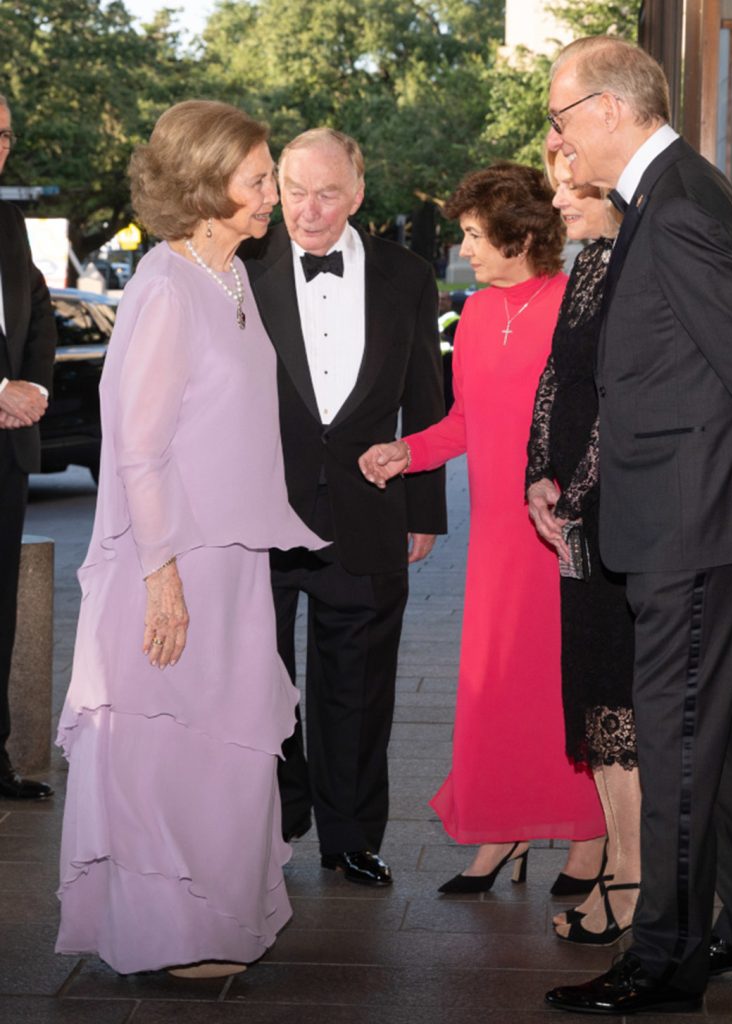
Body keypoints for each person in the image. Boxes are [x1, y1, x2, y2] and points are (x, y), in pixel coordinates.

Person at [542, 36, 732, 1015]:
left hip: (689, 514)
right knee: (710, 730)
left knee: (671, 733)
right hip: (683, 504)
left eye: (560, 114)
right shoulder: (670, 196)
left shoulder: (674, 205)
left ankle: (663, 959)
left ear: (610, 107)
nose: (556, 135)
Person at [55, 100, 324, 977]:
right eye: (256, 180)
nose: (270, 197)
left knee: (230, 738)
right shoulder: (165, 288)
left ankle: (218, 916)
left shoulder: (231, 276)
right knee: (167, 743)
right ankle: (169, 932)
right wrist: (162, 575)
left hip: (235, 560)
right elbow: (137, 447)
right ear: (207, 186)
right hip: (174, 560)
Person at [359, 162, 605, 894]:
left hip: (560, 527)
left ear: (521, 235)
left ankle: (587, 837)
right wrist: (406, 452)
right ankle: (501, 833)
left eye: (473, 235)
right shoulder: (469, 313)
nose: (463, 248)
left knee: (563, 684)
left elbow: (595, 415)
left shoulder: (574, 303)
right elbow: (463, 421)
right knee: (493, 687)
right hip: (498, 538)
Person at [241, 128, 447, 887]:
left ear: (358, 195)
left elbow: (427, 396)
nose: (308, 209)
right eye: (293, 190)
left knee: (358, 685)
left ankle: (351, 835)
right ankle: (275, 808)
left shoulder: (407, 274)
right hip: (256, 512)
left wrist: (423, 506)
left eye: (327, 193)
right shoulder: (241, 263)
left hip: (366, 513)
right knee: (254, 676)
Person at [526, 148, 640, 942]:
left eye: (569, 186)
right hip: (578, 520)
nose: (556, 199)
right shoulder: (591, 262)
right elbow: (559, 382)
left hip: (617, 522)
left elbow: (621, 398)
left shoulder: (635, 265)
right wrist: (539, 470)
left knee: (617, 706)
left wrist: (578, 493)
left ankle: (630, 884)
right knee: (594, 701)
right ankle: (619, 868)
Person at [0, 94, 57, 802]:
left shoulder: (9, 220)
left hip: (8, 452)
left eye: (8, 132)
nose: (1, 145)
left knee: (2, 611)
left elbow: (37, 312)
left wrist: (33, 388)